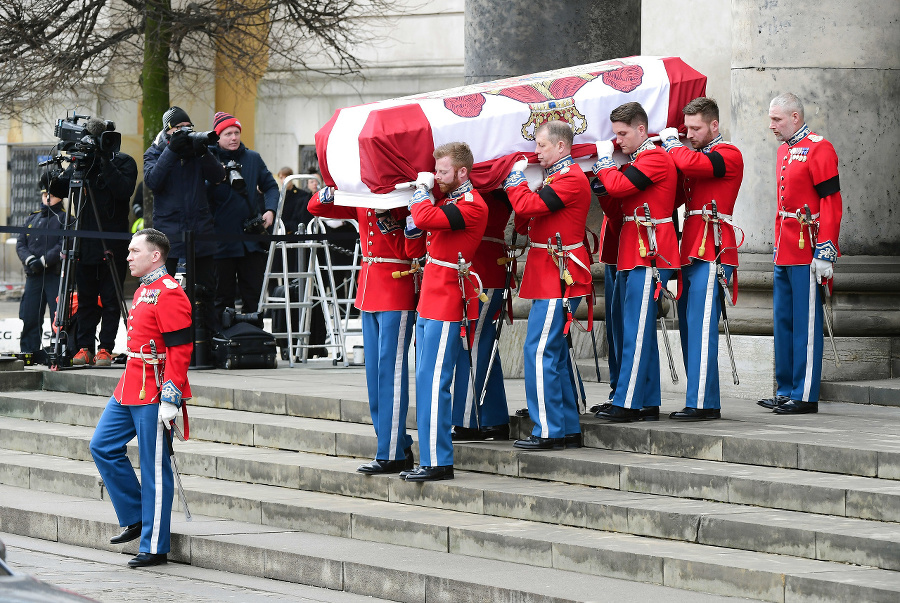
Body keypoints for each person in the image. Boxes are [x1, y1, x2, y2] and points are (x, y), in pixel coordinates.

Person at [89, 228, 193, 568]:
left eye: (135, 251)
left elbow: (180, 349)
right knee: (102, 445)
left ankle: (154, 544)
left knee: (154, 469)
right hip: (131, 382)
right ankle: (135, 515)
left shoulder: (169, 292)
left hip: (155, 387)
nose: (128, 256)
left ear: (155, 256)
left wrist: (172, 396)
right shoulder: (147, 288)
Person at [309, 181, 419, 474]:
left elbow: (410, 247)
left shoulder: (402, 199)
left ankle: (392, 452)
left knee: (390, 374)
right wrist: (336, 186)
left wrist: (391, 215)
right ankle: (395, 442)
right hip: (368, 291)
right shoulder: (361, 197)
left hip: (396, 288)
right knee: (374, 377)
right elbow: (316, 206)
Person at [503, 120, 592, 450]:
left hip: (559, 276)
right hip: (549, 273)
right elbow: (528, 220)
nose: (536, 151)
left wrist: (515, 180)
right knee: (551, 355)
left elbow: (526, 207)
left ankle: (549, 430)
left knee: (539, 352)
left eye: (541, 145)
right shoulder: (556, 178)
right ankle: (565, 426)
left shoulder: (569, 178)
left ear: (561, 147)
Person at [401, 141, 487, 480]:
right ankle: (430, 457)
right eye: (435, 171)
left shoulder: (472, 204)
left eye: (442, 171)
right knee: (425, 381)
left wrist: (420, 191)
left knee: (436, 382)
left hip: (449, 302)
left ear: (462, 172)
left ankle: (438, 461)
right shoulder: (448, 200)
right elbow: (419, 232)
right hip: (430, 299)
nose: (436, 177)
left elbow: (424, 216)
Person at [592, 102, 679, 422]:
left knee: (635, 331)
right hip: (633, 252)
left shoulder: (654, 157)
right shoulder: (636, 161)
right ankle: (644, 399)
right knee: (632, 328)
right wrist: (602, 188)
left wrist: (603, 164)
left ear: (642, 129)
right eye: (615, 135)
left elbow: (618, 186)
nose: (618, 141)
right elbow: (617, 211)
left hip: (649, 254)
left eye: (623, 133)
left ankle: (628, 403)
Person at [659, 97, 744, 420]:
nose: (689, 134)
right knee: (690, 327)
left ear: (714, 125)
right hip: (691, 249)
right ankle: (698, 397)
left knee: (702, 327)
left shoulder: (728, 154)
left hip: (713, 248)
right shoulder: (694, 155)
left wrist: (671, 144)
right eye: (686, 128)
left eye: (696, 128)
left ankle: (704, 403)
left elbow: (694, 167)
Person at [757, 92, 842, 415]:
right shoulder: (783, 150)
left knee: (805, 324)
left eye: (777, 119)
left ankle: (805, 394)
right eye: (770, 119)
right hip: (785, 247)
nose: (771, 125)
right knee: (784, 322)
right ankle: (786, 388)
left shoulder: (820, 148)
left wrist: (826, 250)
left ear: (795, 117)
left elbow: (831, 202)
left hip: (808, 248)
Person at [143, 106, 225, 340]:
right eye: (179, 128)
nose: (185, 131)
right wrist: (172, 151)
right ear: (169, 131)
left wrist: (201, 151)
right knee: (165, 289)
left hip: (200, 229)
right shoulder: (155, 151)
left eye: (188, 127)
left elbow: (218, 176)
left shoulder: (197, 152)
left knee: (207, 288)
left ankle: (207, 341)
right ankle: (165, 338)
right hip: (169, 232)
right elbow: (153, 182)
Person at [65, 119, 138, 366]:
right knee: (86, 299)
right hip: (85, 243)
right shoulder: (84, 164)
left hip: (113, 243)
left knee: (110, 299)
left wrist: (104, 160)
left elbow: (124, 189)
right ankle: (85, 347)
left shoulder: (124, 161)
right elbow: (58, 187)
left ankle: (106, 348)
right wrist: (73, 163)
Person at [451, 189, 512, 441]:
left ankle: (469, 420)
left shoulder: (488, 189)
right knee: (483, 343)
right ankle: (494, 418)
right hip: (476, 267)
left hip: (483, 270)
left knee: (473, 342)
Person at [207, 111, 279, 319]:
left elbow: (271, 187)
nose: (234, 137)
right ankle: (224, 346)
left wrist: (270, 210)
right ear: (218, 137)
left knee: (253, 298)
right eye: (228, 133)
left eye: (236, 132)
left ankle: (253, 345)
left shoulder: (253, 158)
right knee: (222, 299)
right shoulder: (208, 159)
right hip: (220, 242)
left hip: (251, 241)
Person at [17, 171, 69, 360]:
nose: (47, 198)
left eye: (52, 195)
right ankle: (28, 350)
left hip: (54, 274)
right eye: (45, 194)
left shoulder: (64, 218)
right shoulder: (33, 218)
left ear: (59, 197)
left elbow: (64, 243)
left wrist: (44, 261)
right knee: (30, 315)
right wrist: (30, 260)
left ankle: (59, 351)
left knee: (58, 317)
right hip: (34, 275)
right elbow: (21, 243)